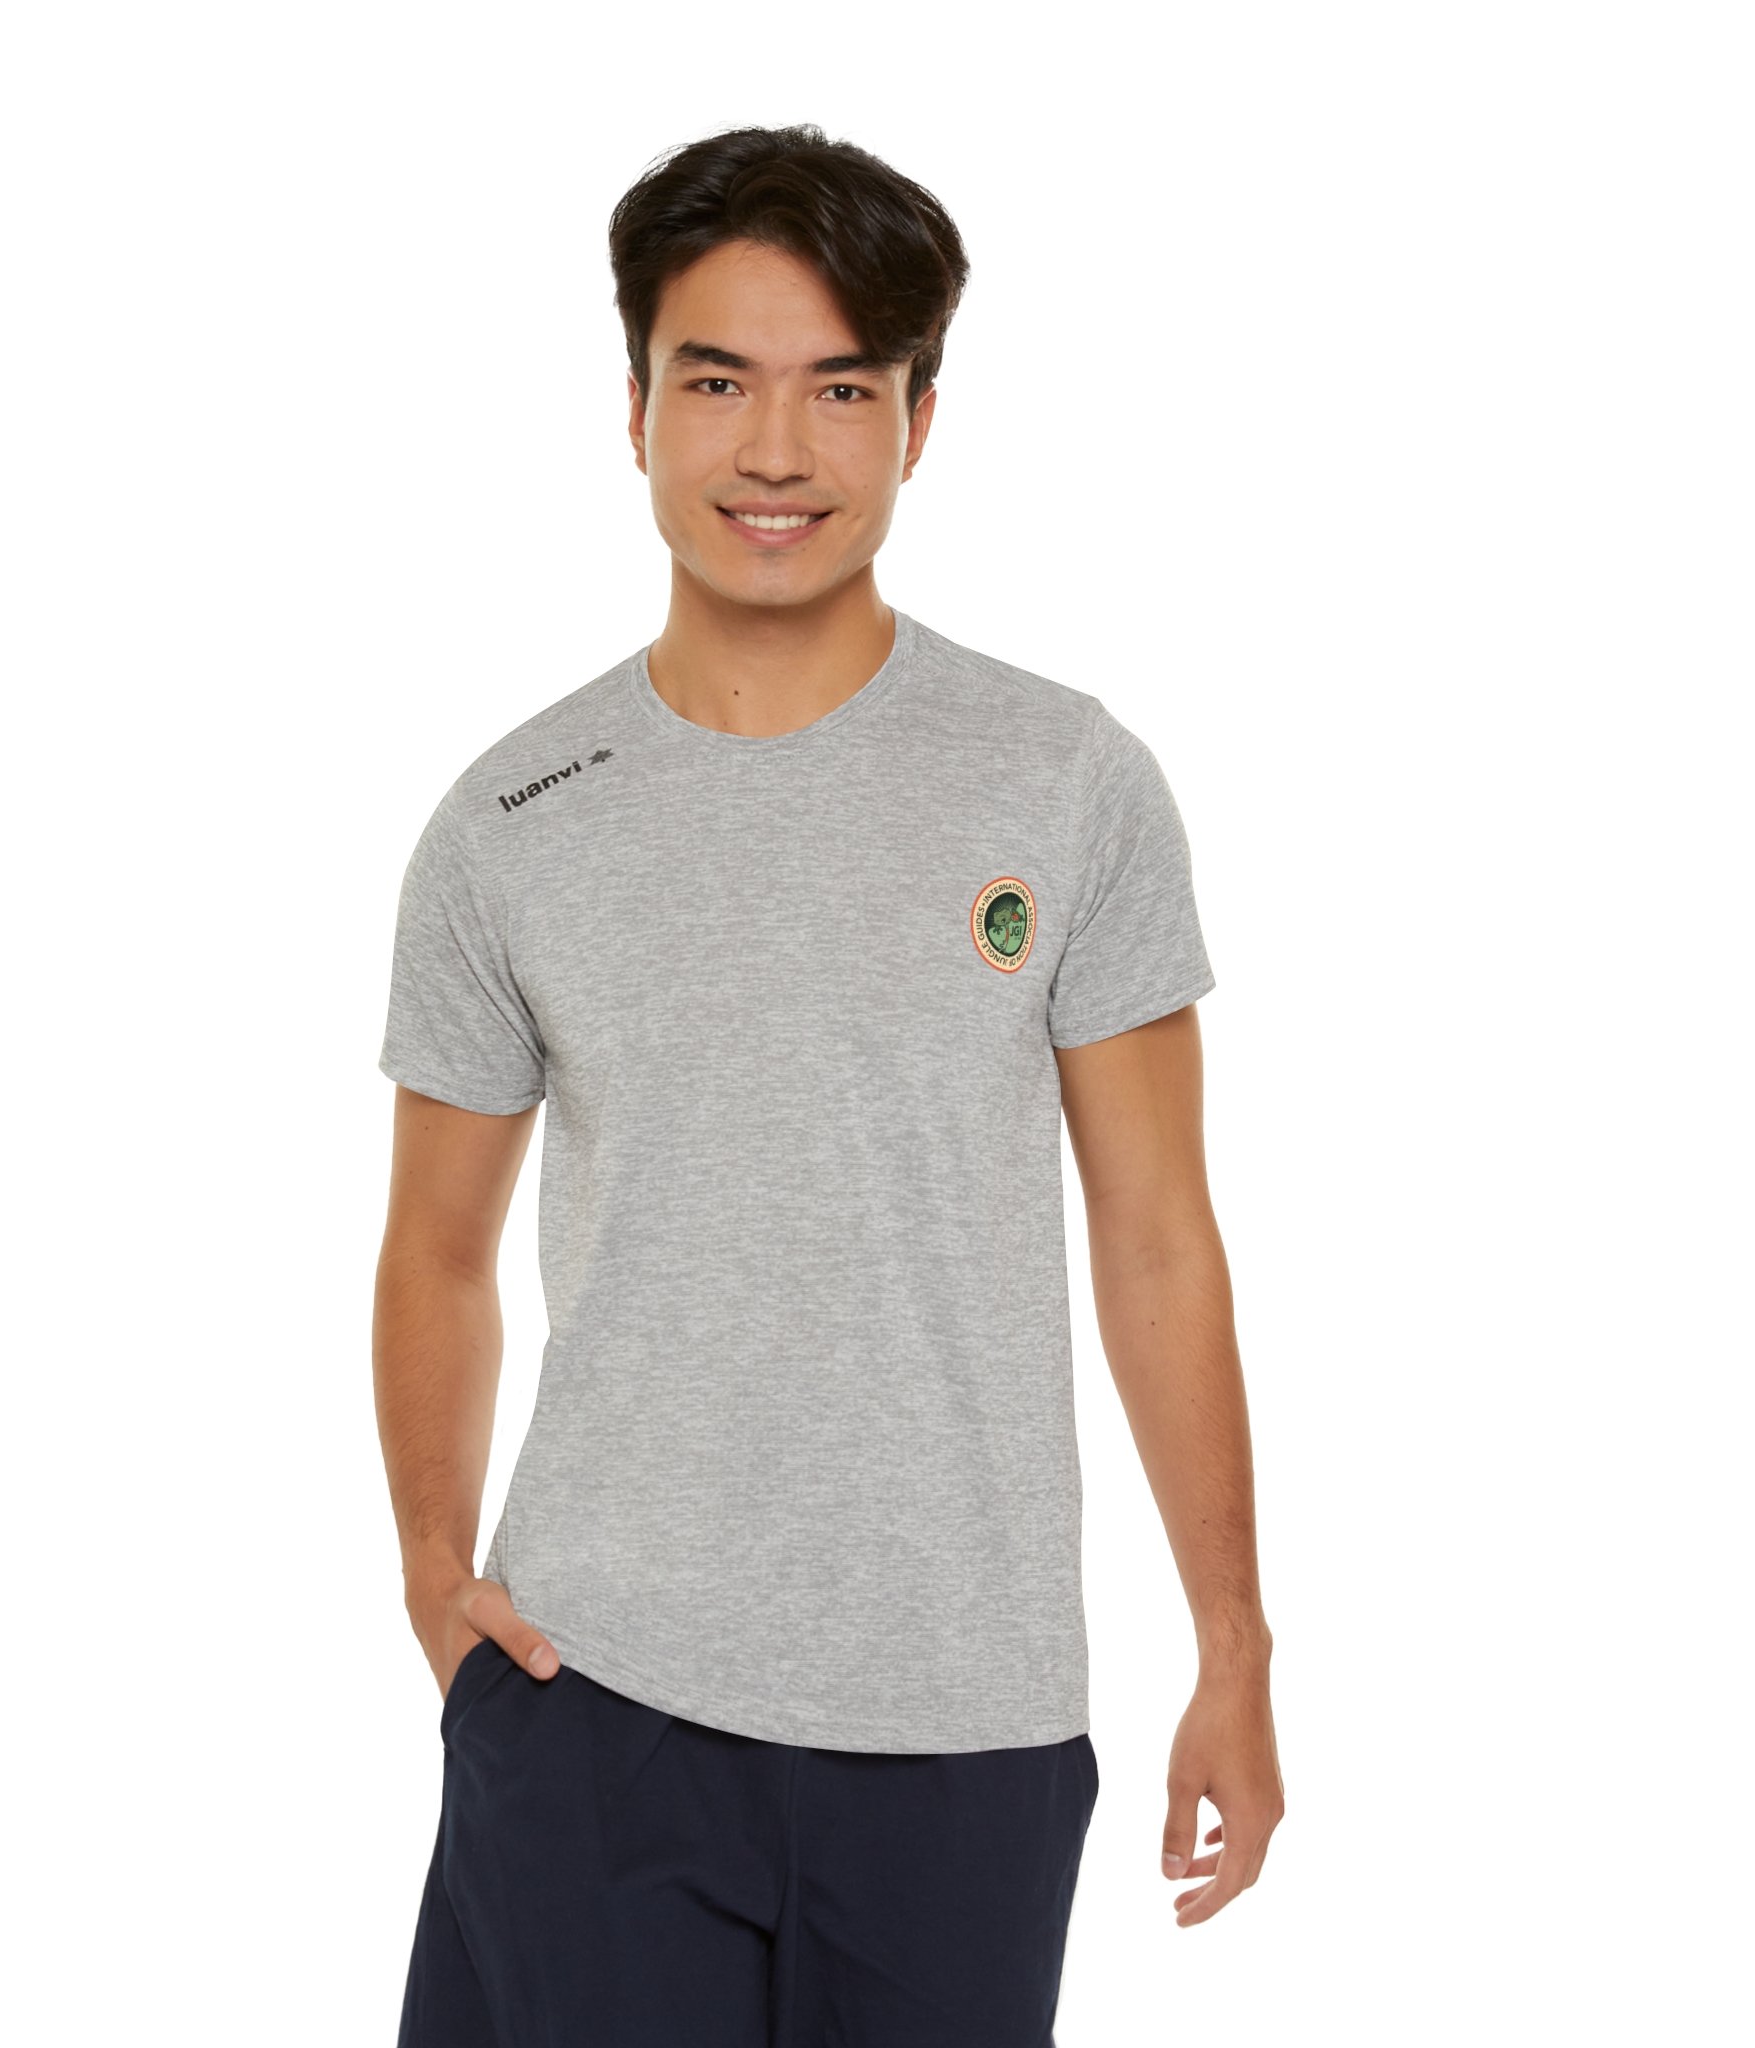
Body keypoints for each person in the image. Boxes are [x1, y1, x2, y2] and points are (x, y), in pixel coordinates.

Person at [372, 122, 1282, 2046]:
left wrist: (1233, 1639)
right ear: (634, 411)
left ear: (918, 424)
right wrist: (436, 1576)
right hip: (593, 1700)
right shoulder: (509, 825)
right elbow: (435, 1249)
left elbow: (1158, 1238)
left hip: (967, 1716)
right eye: (717, 382)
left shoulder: (1068, 783)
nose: (774, 451)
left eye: (840, 390)